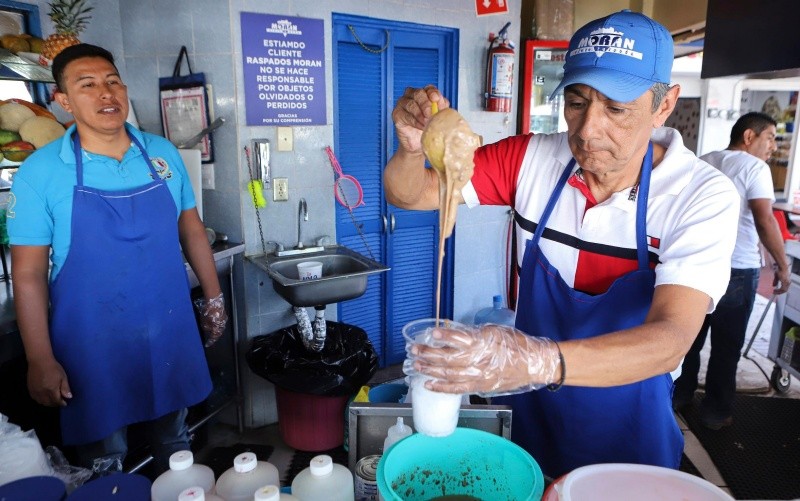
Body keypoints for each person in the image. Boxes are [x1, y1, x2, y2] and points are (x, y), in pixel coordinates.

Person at [385, 10, 741, 478]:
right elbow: (411, 194)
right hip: (533, 417)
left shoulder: (700, 195)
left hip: (629, 431)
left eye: (616, 109)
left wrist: (535, 360)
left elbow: (670, 340)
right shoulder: (531, 159)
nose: (588, 129)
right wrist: (412, 150)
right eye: (576, 102)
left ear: (664, 105)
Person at [8, 43, 227, 473]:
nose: (105, 93)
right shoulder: (41, 171)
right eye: (87, 85)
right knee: (104, 459)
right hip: (91, 341)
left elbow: (191, 228)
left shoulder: (162, 155)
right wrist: (39, 358)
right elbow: (28, 273)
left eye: (112, 82)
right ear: (63, 100)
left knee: (175, 444)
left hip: (166, 327)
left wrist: (214, 297)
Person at [673, 112, 789, 429]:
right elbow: (764, 219)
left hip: (697, 264)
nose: (773, 146)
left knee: (689, 338)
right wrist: (781, 264)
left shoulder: (704, 160)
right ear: (749, 136)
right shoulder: (755, 168)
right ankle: (715, 412)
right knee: (727, 346)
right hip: (737, 269)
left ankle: (679, 396)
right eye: (770, 137)